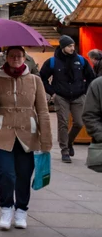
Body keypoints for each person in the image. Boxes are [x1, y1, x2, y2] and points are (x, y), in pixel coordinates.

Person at [0, 46, 53, 230]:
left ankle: (21, 209)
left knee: (24, 174)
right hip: (2, 132)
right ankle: (6, 208)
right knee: (5, 173)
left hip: (27, 134)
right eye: (12, 56)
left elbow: (43, 111)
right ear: (6, 57)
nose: (16, 59)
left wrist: (46, 138)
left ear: (25, 58)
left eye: (19, 56)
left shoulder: (35, 81)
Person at [39, 35, 95, 163]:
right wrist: (52, 93)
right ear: (63, 47)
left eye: (73, 46)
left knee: (80, 123)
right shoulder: (52, 61)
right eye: (69, 46)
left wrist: (85, 92)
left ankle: (69, 142)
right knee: (63, 123)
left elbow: (91, 76)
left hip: (78, 95)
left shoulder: (81, 60)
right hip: (61, 96)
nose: (72, 48)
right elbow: (42, 78)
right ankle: (64, 150)